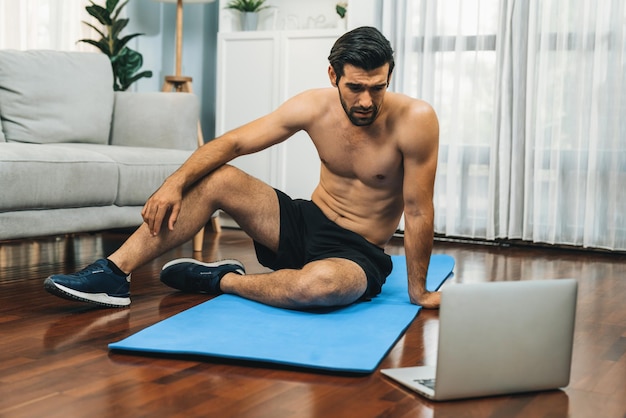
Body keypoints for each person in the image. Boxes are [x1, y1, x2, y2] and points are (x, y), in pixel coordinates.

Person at [44, 26, 441, 310]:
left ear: (389, 76)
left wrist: (419, 291)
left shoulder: (416, 120)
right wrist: (173, 184)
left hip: (356, 252)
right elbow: (234, 142)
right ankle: (112, 274)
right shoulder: (312, 106)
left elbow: (419, 210)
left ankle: (221, 279)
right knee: (218, 177)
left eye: (378, 87)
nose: (367, 101)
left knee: (321, 287)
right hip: (304, 222)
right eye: (355, 88)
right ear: (333, 76)